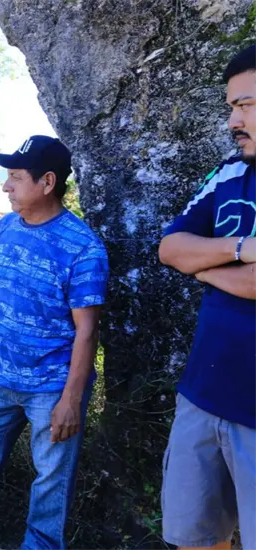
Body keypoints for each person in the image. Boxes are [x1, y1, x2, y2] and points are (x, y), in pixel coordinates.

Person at [0, 136, 109, 549]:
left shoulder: (82, 247)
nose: (5, 186)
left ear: (47, 182)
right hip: (1, 376)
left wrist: (71, 399)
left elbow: (87, 331)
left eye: (14, 177)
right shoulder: (7, 226)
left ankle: (41, 545)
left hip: (52, 385)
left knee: (51, 476)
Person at [158, 44, 256, 550]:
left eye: (247, 105)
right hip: (202, 396)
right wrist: (241, 248)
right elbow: (171, 248)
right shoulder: (228, 174)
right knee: (195, 539)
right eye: (231, 107)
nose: (234, 120)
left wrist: (206, 267)